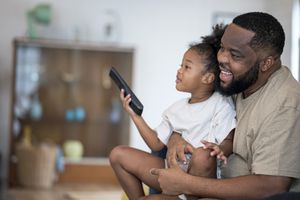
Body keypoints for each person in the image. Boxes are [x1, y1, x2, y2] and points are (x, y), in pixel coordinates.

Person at [148, 12, 300, 200]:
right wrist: (176, 139)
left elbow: (272, 187)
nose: (221, 59)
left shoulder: (285, 104)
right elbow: (190, 114)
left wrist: (186, 184)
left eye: (235, 55)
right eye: (222, 48)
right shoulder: (237, 81)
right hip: (205, 179)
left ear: (266, 63)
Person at [109, 24, 236, 200]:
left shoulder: (220, 104)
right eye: (180, 65)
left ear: (207, 78)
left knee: (202, 155)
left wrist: (221, 148)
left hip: (197, 182)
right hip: (170, 173)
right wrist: (135, 115)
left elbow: (229, 138)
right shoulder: (175, 109)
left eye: (187, 67)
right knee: (118, 154)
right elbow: (156, 144)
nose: (179, 71)